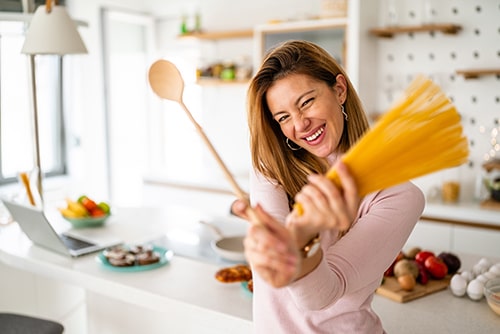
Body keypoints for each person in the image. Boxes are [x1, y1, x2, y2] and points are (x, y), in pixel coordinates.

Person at [232, 40, 425, 333]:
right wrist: (285, 240)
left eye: (306, 102)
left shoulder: (397, 195)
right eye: (283, 117)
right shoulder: (270, 166)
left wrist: (301, 237)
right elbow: (273, 264)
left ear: (339, 90)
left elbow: (321, 295)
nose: (300, 124)